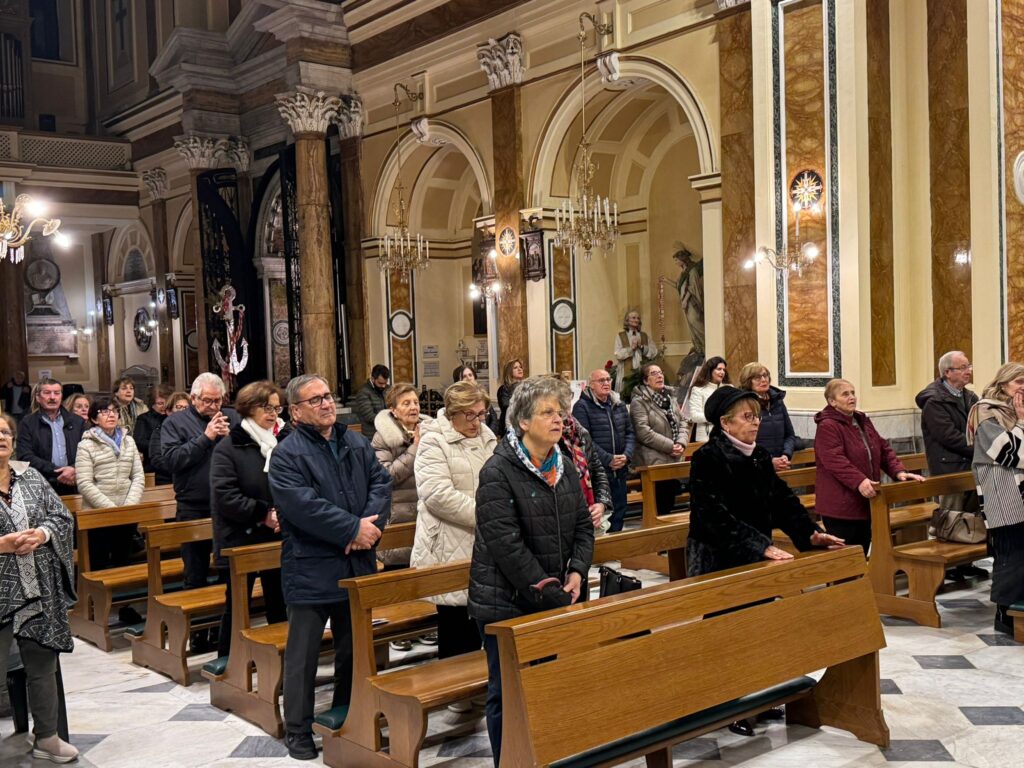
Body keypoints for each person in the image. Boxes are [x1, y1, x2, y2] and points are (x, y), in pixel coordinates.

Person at [687, 386, 843, 737]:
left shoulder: (758, 455)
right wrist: (759, 546)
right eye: (747, 416)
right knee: (726, 630)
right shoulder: (708, 458)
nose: (755, 422)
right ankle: (725, 705)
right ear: (725, 423)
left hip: (754, 556)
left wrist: (809, 534)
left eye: (756, 416)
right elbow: (712, 515)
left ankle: (756, 695)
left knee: (757, 625)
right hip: (718, 558)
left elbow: (781, 499)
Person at [469, 376, 594, 766]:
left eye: (560, 412)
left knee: (553, 685)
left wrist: (576, 572)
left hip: (557, 595)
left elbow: (583, 526)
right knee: (508, 693)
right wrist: (549, 589)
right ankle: (509, 761)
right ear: (523, 421)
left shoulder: (565, 465)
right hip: (507, 603)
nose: (559, 420)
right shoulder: (497, 471)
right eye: (548, 413)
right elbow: (507, 546)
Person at [268, 374, 391, 761]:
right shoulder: (286, 453)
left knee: (353, 649)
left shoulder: (355, 441)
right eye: (315, 400)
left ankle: (347, 715)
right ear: (295, 411)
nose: (325, 405)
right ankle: (299, 729)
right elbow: (301, 506)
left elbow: (380, 485)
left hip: (357, 562)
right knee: (302, 656)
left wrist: (370, 529)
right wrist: (353, 528)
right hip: (311, 565)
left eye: (327, 397)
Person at [0, 413, 79, 763]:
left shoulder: (30, 477)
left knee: (42, 665)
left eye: (4, 431)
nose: (0, 437)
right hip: (2, 595)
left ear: (13, 441)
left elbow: (62, 517)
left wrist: (42, 534)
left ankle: (46, 737)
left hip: (38, 591)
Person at [411, 382, 497, 665]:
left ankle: (482, 683)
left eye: (481, 413)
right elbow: (437, 495)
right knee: (456, 618)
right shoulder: (434, 440)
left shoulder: (487, 436)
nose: (477, 421)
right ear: (452, 413)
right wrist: (488, 514)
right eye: (469, 415)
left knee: (484, 616)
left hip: (484, 542)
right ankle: (456, 695)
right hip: (449, 541)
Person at [210, 380, 288, 658]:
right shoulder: (229, 447)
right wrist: (264, 514)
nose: (273, 414)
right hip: (239, 538)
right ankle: (228, 662)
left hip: (275, 536)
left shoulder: (279, 443)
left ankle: (280, 659)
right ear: (249, 408)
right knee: (237, 606)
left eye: (277, 408)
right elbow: (225, 496)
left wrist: (283, 513)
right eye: (266, 407)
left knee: (279, 601)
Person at [813, 379, 924, 554]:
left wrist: (899, 471)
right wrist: (860, 481)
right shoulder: (828, 426)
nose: (852, 397)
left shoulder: (861, 420)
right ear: (832, 401)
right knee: (846, 559)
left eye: (853, 392)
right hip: (840, 506)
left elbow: (882, 448)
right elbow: (835, 461)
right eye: (845, 394)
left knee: (862, 552)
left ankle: (861, 581)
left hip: (865, 501)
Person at [160, 373, 238, 600]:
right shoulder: (174, 422)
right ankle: (196, 633)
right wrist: (206, 437)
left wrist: (231, 437)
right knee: (196, 572)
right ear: (193, 398)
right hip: (193, 506)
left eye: (218, 400)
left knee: (229, 571)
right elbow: (172, 461)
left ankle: (226, 628)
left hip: (228, 506)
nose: (214, 406)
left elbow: (249, 454)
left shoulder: (232, 418)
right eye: (207, 401)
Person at [966, 363, 1024, 634]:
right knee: (1010, 554)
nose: (1023, 387)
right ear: (1003, 384)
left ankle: (1017, 612)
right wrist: (1022, 421)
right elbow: (1008, 453)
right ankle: (1004, 616)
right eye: (1018, 381)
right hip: (1003, 495)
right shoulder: (985, 411)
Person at [75, 397, 145, 569]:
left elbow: (138, 476)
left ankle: (122, 596)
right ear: (93, 419)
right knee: (99, 563)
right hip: (98, 513)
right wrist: (111, 510)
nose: (111, 415)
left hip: (127, 511)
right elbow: (84, 483)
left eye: (114, 411)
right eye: (104, 411)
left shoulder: (129, 441)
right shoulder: (86, 445)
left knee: (123, 562)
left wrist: (129, 506)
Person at [371, 382, 425, 571]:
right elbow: (387, 476)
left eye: (416, 402)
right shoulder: (383, 437)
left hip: (425, 514)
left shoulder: (429, 431)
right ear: (393, 410)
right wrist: (415, 447)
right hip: (398, 514)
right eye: (406, 403)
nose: (413, 407)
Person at [572, 369, 634, 532]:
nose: (606, 383)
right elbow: (585, 439)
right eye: (601, 380)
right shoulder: (582, 406)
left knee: (620, 509)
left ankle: (616, 550)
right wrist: (608, 459)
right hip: (599, 469)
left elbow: (630, 432)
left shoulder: (618, 404)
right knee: (603, 513)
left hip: (620, 467)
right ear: (591, 385)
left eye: (608, 379)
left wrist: (626, 456)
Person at [629, 363, 688, 518]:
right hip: (653, 460)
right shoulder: (639, 402)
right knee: (659, 507)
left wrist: (681, 443)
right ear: (645, 381)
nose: (660, 376)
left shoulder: (670, 398)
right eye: (654, 373)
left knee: (669, 503)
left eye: (660, 373)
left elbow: (682, 422)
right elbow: (644, 432)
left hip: (673, 458)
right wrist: (670, 446)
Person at [16, 378, 86, 497]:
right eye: (47, 393)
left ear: (61, 397)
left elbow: (86, 452)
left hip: (74, 483)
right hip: (42, 485)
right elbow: (25, 456)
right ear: (38, 397)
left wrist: (73, 468)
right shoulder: (28, 423)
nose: (53, 397)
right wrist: (57, 471)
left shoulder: (77, 422)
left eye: (57, 393)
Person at [559, 409, 613, 534]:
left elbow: (598, 471)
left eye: (568, 395)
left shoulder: (580, 433)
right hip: (566, 522)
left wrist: (601, 504)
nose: (565, 402)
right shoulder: (548, 440)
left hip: (591, 515)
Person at [738, 363, 795, 470]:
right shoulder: (743, 404)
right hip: (755, 467)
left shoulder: (777, 401)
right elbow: (743, 442)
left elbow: (790, 435)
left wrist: (786, 455)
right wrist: (769, 460)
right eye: (757, 377)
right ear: (747, 381)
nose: (764, 380)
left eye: (765, 375)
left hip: (781, 463)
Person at [149, 391, 189, 486]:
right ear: (169, 411)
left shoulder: (196, 430)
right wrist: (180, 466)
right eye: (179, 407)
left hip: (192, 480)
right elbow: (157, 459)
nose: (183, 411)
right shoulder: (159, 432)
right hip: (167, 481)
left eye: (186, 407)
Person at [613, 309, 658, 393]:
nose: (636, 320)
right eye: (633, 318)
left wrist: (642, 347)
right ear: (627, 320)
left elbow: (654, 351)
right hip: (626, 371)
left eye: (638, 318)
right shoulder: (620, 336)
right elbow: (618, 354)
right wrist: (631, 349)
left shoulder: (644, 335)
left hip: (641, 369)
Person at [133, 383, 173, 475]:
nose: (164, 406)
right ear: (152, 403)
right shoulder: (143, 419)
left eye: (166, 403)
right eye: (160, 403)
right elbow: (139, 442)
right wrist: (159, 446)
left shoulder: (173, 418)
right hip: (153, 467)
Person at [688, 356, 730, 441]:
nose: (722, 372)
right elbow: (694, 416)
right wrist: (717, 418)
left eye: (724, 370)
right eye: (719, 369)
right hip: (706, 437)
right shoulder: (698, 389)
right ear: (710, 370)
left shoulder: (728, 388)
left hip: (726, 435)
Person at [452, 365, 500, 433]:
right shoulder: (455, 400)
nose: (468, 378)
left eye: (470, 375)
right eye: (464, 376)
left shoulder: (482, 395)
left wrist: (489, 433)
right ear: (457, 381)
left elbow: (493, 417)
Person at [352, 364, 390, 440]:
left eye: (385, 383)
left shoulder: (389, 389)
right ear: (372, 379)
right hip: (371, 436)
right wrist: (389, 420)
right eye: (380, 383)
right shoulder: (363, 392)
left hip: (388, 434)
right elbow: (369, 416)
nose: (383, 386)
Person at [496, 359, 524, 436]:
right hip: (509, 428)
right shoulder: (504, 389)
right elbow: (506, 406)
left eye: (520, 367)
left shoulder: (526, 387)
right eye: (515, 368)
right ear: (509, 371)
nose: (519, 369)